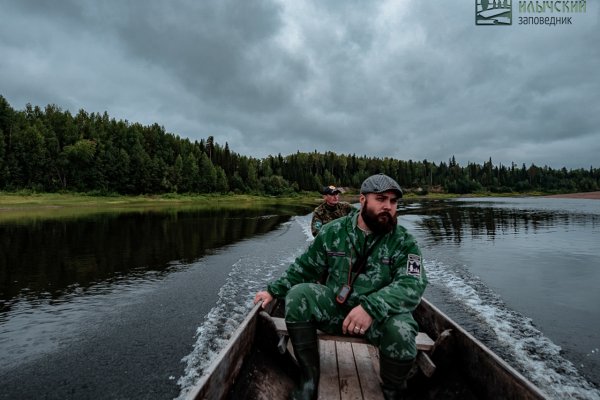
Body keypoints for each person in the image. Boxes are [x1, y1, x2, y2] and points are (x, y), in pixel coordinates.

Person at [254, 173, 428, 400]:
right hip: (337, 308)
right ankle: (309, 379)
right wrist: (272, 290)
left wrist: (371, 308)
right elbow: (305, 267)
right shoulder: (333, 232)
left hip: (379, 318)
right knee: (298, 296)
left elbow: (412, 283)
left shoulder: (404, 241)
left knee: (403, 330)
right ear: (363, 199)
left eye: (393, 202)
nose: (388, 206)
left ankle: (393, 389)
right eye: (381, 199)